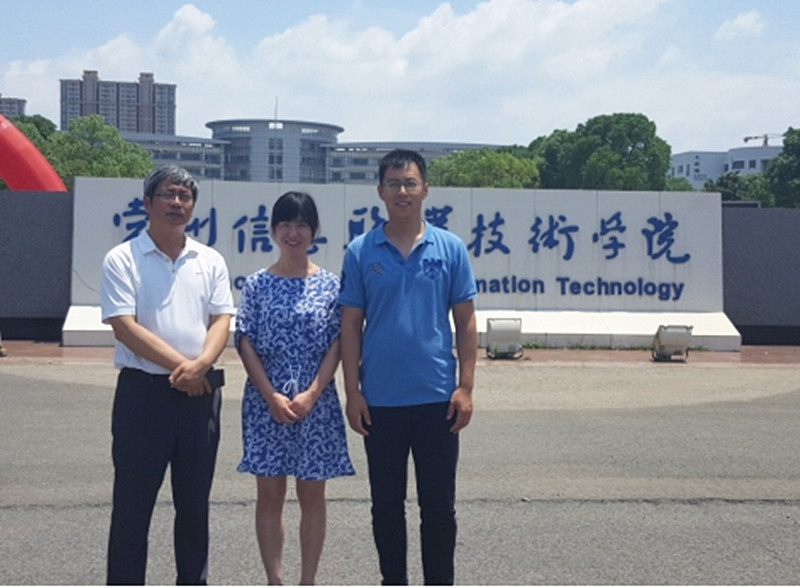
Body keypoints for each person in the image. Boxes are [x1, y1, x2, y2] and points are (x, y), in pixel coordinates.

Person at [339, 149, 478, 585]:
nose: (403, 191)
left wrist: (466, 387)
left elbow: (466, 321)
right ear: (380, 191)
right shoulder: (361, 251)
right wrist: (353, 392)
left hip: (438, 398)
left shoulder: (450, 248)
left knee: (439, 508)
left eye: (410, 183)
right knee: (386, 507)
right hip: (380, 401)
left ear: (425, 189)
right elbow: (350, 325)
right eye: (394, 183)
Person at [101, 165, 236, 585]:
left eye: (185, 196)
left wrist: (201, 367)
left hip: (200, 398)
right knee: (132, 507)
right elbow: (125, 327)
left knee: (194, 507)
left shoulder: (209, 259)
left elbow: (221, 320)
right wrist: (186, 368)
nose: (177, 202)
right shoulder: (123, 258)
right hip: (143, 396)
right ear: (147, 203)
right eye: (167, 194)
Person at [235, 191, 355, 585]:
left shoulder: (331, 285)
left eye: (302, 224)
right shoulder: (256, 284)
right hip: (265, 402)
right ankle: (275, 580)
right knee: (270, 496)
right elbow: (244, 340)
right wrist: (270, 395)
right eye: (285, 224)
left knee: (312, 497)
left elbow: (338, 342)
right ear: (273, 230)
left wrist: (312, 393)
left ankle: (308, 580)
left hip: (315, 402)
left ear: (315, 230)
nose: (293, 232)